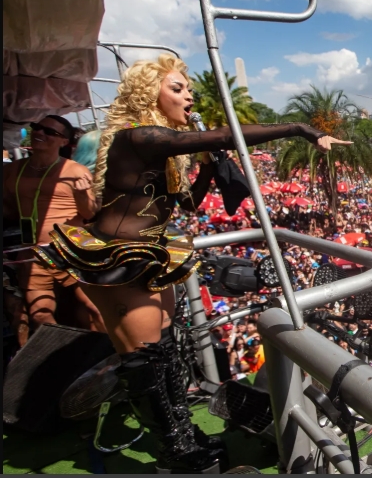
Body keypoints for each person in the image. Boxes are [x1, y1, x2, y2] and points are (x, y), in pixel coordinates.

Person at [31, 55, 349, 473]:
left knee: (166, 352)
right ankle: (175, 448)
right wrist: (299, 128)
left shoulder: (161, 149)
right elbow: (223, 135)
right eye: (176, 88)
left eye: (187, 89)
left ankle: (181, 431)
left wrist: (206, 172)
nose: (188, 96)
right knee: (145, 360)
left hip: (147, 253)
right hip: (119, 259)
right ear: (149, 95)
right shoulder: (139, 136)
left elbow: (189, 205)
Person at [3, 115, 105, 342]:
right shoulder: (12, 171)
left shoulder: (76, 171)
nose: (40, 133)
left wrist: (81, 194)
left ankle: (116, 366)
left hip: (74, 246)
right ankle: (65, 368)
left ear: (64, 142)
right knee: (40, 317)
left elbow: (89, 213)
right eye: (37, 128)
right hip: (33, 252)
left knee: (97, 310)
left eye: (50, 132)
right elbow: (9, 209)